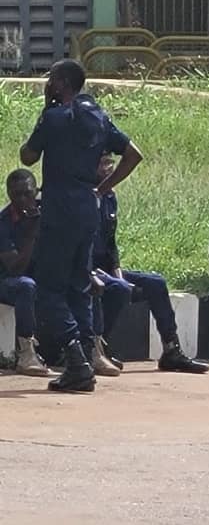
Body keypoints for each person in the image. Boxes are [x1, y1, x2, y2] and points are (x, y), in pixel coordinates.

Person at [20, 59, 143, 392]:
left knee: (48, 287)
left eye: (50, 80)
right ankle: (87, 355)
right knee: (80, 283)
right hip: (89, 207)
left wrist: (46, 109)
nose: (47, 84)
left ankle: (76, 357)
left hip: (60, 209)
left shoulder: (55, 117)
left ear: (61, 83)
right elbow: (133, 154)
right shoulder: (98, 117)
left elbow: (28, 157)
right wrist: (103, 188)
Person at [91, 152, 209, 374]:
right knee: (119, 289)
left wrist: (117, 274)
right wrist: (115, 280)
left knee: (155, 282)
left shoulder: (108, 196)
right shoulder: (82, 197)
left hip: (105, 267)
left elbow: (110, 244)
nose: (108, 168)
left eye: (110, 162)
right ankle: (95, 349)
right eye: (102, 163)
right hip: (84, 269)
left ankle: (171, 350)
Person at [0, 170, 50, 376]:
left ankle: (84, 349)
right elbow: (15, 268)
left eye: (27, 194)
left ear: (35, 191)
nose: (21, 199)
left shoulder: (48, 213)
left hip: (41, 276)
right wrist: (31, 234)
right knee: (25, 285)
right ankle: (26, 353)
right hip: (7, 281)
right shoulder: (3, 223)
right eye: (16, 194)